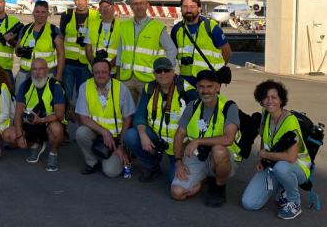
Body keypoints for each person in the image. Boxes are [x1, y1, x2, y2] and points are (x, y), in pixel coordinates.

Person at [171, 69, 241, 207]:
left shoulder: (229, 107)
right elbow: (179, 134)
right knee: (177, 193)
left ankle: (219, 187)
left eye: (210, 86)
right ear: (197, 88)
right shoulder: (193, 106)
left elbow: (228, 139)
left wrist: (198, 141)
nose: (205, 91)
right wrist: (178, 162)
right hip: (198, 155)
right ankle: (203, 179)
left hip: (223, 157)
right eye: (202, 87)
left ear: (218, 87)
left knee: (218, 151)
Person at [242, 80, 311, 220]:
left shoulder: (290, 122)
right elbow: (263, 136)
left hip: (298, 168)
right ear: (261, 100)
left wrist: (265, 154)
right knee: (248, 203)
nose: (269, 101)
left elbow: (291, 158)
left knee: (281, 168)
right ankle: (282, 187)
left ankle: (294, 202)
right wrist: (262, 159)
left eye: (274, 97)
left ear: (281, 100)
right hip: (273, 164)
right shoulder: (266, 114)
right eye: (266, 97)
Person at [124, 57, 198, 183]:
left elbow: (197, 120)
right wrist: (143, 135)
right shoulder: (150, 88)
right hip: (156, 138)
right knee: (131, 136)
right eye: (159, 71)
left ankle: (197, 172)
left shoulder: (187, 91)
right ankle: (151, 165)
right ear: (154, 74)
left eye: (166, 70)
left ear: (173, 71)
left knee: (176, 182)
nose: (163, 74)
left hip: (179, 144)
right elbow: (139, 115)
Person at [110, 0, 177, 103]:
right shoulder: (124, 25)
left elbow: (171, 50)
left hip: (148, 79)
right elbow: (121, 50)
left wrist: (166, 71)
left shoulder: (157, 27)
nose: (139, 6)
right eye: (135, 4)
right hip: (126, 78)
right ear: (131, 7)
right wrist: (118, 72)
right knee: (126, 111)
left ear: (147, 5)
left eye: (142, 3)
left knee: (145, 112)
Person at [75, 59, 135, 177]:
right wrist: (104, 132)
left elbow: (128, 118)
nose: (100, 75)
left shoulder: (121, 88)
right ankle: (92, 162)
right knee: (81, 132)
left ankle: (122, 154)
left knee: (110, 172)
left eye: (104, 72)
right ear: (92, 73)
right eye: (97, 72)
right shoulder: (85, 87)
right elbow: (83, 118)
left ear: (110, 73)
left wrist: (121, 146)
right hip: (97, 133)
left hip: (117, 139)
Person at [14, 58, 66, 172]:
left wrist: (41, 120)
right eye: (34, 69)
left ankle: (53, 153)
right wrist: (19, 135)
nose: (37, 72)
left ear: (47, 70)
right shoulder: (25, 85)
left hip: (49, 123)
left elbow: (60, 115)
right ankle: (36, 144)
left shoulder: (55, 86)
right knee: (9, 135)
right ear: (31, 71)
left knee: (56, 129)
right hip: (31, 124)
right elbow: (17, 114)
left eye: (41, 69)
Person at [171, 0, 231, 86]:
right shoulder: (176, 30)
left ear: (199, 9)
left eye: (192, 6)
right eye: (185, 6)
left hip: (209, 81)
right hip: (185, 81)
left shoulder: (211, 28)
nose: (188, 10)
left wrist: (218, 70)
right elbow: (172, 53)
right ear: (181, 9)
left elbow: (227, 53)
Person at [14, 0, 64, 96]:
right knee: (20, 99)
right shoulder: (25, 29)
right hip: (25, 72)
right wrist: (21, 51)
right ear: (33, 12)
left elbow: (61, 54)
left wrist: (59, 76)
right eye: (37, 12)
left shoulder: (54, 30)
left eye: (43, 12)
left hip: (46, 73)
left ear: (48, 13)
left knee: (45, 101)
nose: (40, 15)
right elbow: (16, 51)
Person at [60, 0, 99, 108]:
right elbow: (61, 38)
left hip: (86, 64)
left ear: (87, 0)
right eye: (77, 0)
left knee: (84, 98)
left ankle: (83, 123)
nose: (80, 2)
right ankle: (65, 122)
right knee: (66, 97)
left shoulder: (96, 15)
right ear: (74, 1)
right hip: (69, 63)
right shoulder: (67, 15)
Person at [84, 0, 119, 68]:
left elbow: (123, 51)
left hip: (114, 70)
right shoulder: (92, 25)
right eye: (102, 7)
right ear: (99, 10)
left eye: (107, 7)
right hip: (95, 70)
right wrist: (94, 65)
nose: (105, 9)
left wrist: (108, 67)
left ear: (114, 9)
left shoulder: (122, 26)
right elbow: (88, 48)